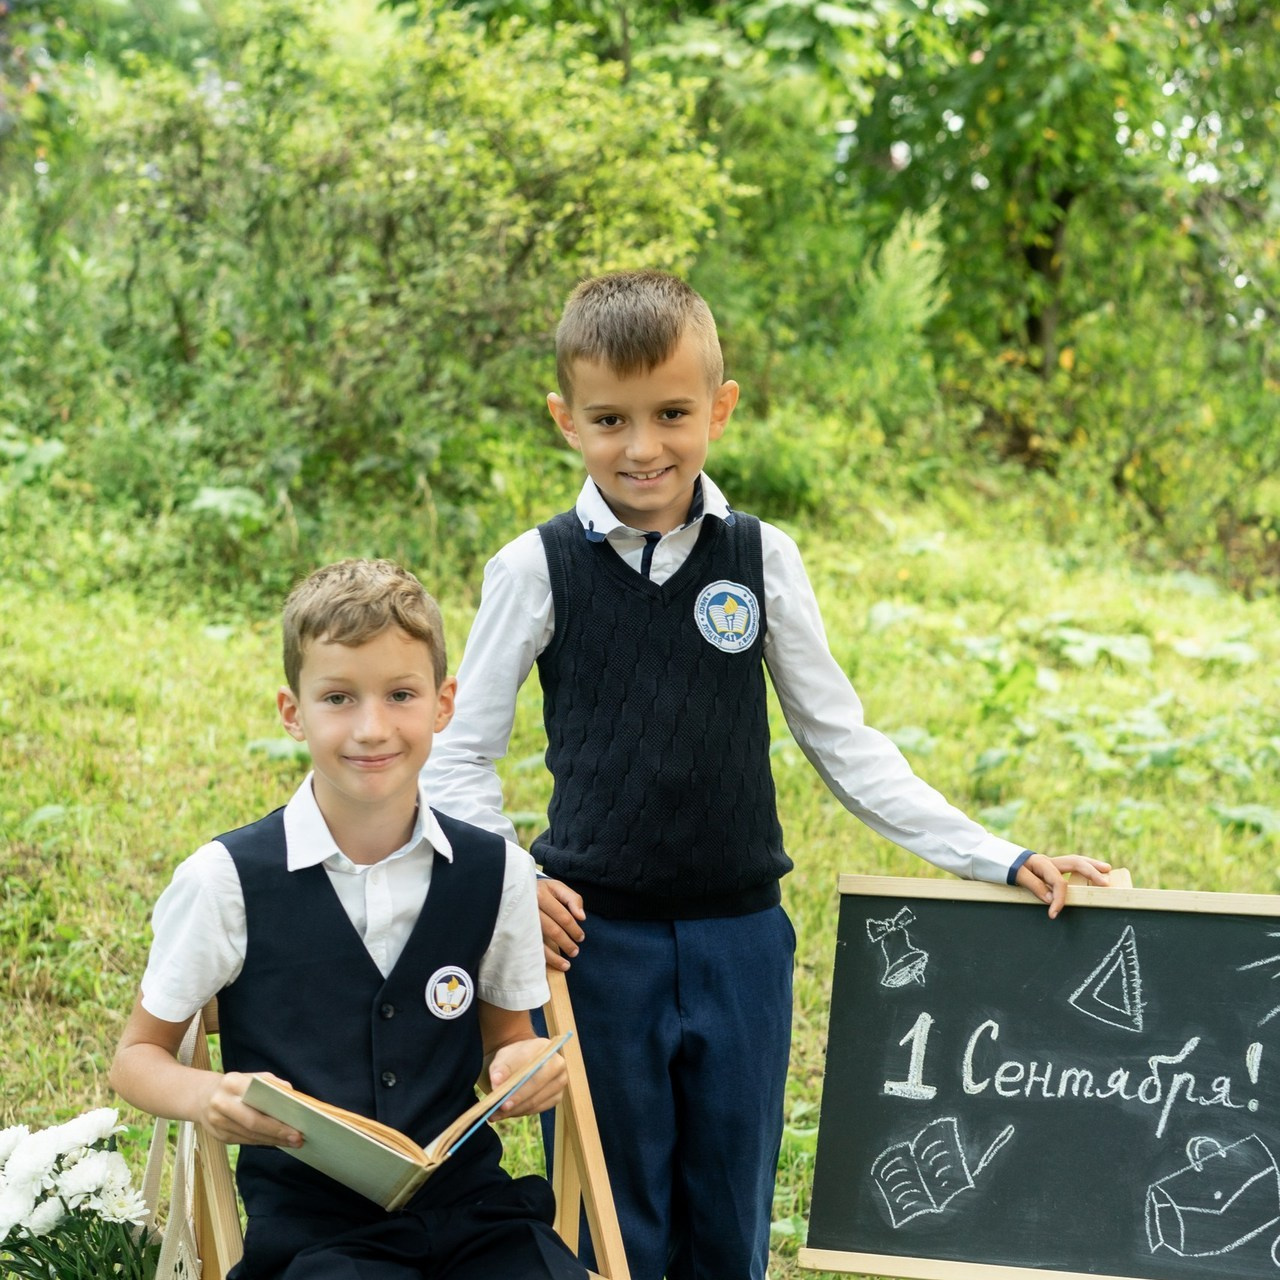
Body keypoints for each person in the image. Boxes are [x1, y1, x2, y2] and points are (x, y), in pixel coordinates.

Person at [421, 269, 1112, 1280]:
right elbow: (458, 752)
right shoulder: (534, 566)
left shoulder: (760, 556)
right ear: (566, 420)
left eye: (671, 413)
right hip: (595, 945)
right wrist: (514, 879)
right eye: (610, 420)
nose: (642, 446)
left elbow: (842, 740)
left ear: (720, 407)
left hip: (741, 941)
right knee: (610, 1219)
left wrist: (995, 856)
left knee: (730, 1215)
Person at [110, 558, 588, 1280]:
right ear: (292, 711)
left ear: (443, 704)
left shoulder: (498, 872)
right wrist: (207, 1096)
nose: (372, 728)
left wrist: (520, 1067)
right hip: (316, 1240)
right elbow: (135, 1059)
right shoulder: (226, 880)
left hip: (477, 1219)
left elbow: (509, 1040)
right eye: (338, 698)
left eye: (401, 695)